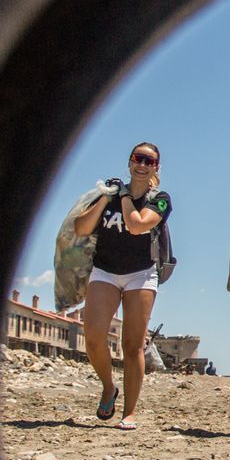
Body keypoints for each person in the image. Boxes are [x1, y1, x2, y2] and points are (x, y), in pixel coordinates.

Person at [72, 141, 173, 431]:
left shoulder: (161, 198)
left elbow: (138, 225)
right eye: (137, 159)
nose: (142, 164)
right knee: (92, 337)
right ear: (129, 162)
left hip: (140, 274)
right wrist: (106, 198)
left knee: (132, 345)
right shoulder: (110, 195)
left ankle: (129, 412)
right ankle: (108, 388)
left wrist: (127, 196)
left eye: (149, 161)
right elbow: (81, 228)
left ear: (156, 167)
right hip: (104, 270)